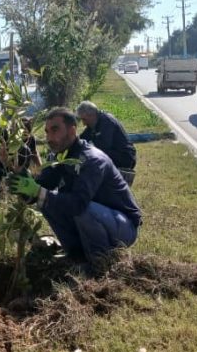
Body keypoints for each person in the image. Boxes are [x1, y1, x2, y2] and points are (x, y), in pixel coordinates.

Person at [9, 107, 141, 268]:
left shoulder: (92, 159)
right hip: (96, 218)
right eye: (47, 132)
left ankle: (99, 261)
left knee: (80, 208)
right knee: (47, 203)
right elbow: (39, 192)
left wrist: (39, 191)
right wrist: (22, 181)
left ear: (72, 131)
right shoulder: (59, 158)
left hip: (123, 227)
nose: (49, 138)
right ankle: (76, 255)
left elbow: (78, 204)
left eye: (55, 130)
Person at [76, 101, 137, 185]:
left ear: (92, 115)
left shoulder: (107, 122)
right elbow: (82, 140)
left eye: (84, 119)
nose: (83, 123)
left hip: (124, 158)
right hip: (113, 156)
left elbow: (103, 147)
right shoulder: (94, 122)